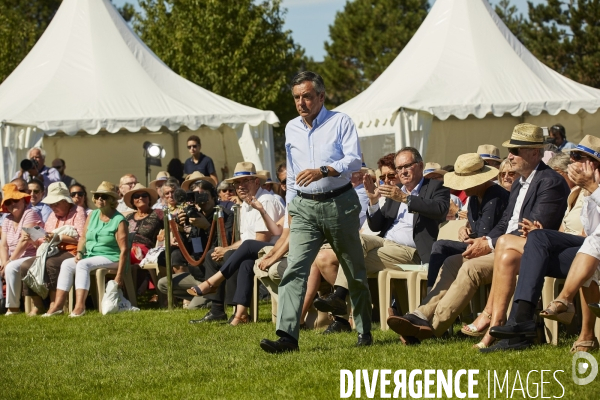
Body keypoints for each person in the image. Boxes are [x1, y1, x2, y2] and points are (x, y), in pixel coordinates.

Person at [387, 123, 570, 344]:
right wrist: (486, 240)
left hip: (524, 253)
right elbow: (505, 223)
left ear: (534, 152)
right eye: (510, 151)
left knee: (470, 267)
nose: (509, 157)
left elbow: (534, 231)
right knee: (453, 261)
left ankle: (432, 327)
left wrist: (489, 243)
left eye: (515, 151)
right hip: (503, 248)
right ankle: (421, 315)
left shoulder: (551, 182)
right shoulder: (520, 184)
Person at [260, 71, 372, 353]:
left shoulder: (341, 122)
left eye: (307, 96)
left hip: (339, 203)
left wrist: (324, 170)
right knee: (294, 270)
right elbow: (292, 172)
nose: (302, 102)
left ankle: (364, 331)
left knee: (353, 270)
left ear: (321, 96)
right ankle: (287, 337)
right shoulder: (291, 128)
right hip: (304, 207)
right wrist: (291, 208)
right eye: (297, 97)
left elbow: (354, 159)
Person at [486, 135, 600, 352]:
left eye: (578, 157)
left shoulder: (588, 189)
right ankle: (518, 325)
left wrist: (593, 188)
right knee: (535, 240)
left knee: (518, 244)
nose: (572, 162)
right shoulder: (578, 192)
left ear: (594, 163)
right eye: (572, 156)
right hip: (584, 251)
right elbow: (579, 232)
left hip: (593, 252)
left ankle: (522, 321)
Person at [189, 162, 284, 323]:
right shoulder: (246, 203)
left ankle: (213, 283)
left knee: (232, 255)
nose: (240, 186)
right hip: (255, 250)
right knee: (214, 255)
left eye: (245, 181)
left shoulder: (265, 200)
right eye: (236, 183)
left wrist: (228, 251)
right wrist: (226, 248)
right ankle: (223, 311)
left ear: (256, 182)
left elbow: (262, 238)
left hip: (274, 249)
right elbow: (247, 238)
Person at [425, 154, 509, 289]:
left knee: (440, 247)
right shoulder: (475, 196)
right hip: (478, 244)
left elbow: (484, 235)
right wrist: (464, 228)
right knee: (441, 250)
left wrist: (471, 234)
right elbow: (474, 224)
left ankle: (431, 294)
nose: (463, 188)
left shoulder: (494, 196)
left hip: (491, 249)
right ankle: (434, 295)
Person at [45, 182, 128, 317]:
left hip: (112, 257)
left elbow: (124, 250)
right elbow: (83, 238)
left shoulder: (119, 220)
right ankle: (58, 306)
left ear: (112, 200)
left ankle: (80, 306)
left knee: (83, 264)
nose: (100, 199)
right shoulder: (93, 215)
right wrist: (79, 253)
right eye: (97, 196)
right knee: (66, 264)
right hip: (91, 255)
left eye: (104, 196)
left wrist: (119, 275)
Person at [157, 178, 233, 310]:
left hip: (215, 278)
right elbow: (188, 251)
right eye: (196, 196)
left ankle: (216, 296)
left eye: (203, 195)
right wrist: (180, 230)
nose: (201, 200)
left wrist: (207, 227)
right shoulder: (194, 215)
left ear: (214, 196)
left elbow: (224, 246)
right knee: (163, 284)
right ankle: (201, 295)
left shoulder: (224, 215)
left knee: (192, 308)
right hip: (198, 276)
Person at [20, 182, 87, 315]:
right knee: (26, 265)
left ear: (65, 201)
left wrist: (59, 237)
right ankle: (38, 305)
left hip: (71, 251)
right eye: (51, 204)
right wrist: (34, 237)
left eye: (55, 203)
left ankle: (55, 304)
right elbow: (47, 237)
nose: (52, 207)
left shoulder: (78, 211)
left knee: (51, 263)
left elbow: (81, 238)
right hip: (52, 250)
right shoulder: (52, 215)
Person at [1, 184, 44, 315]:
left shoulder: (30, 213)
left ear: (23, 200)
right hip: (13, 257)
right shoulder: (7, 219)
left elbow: (25, 240)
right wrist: (4, 262)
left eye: (15, 200)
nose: (12, 204)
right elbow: (3, 245)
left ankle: (12, 308)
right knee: (8, 266)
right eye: (8, 202)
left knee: (11, 267)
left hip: (33, 254)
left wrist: (9, 261)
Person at [123, 184, 164, 297]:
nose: (140, 198)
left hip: (146, 249)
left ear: (149, 199)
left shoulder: (158, 213)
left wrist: (164, 232)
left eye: (144, 195)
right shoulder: (128, 217)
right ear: (132, 201)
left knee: (127, 254)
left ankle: (129, 291)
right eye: (136, 196)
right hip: (128, 246)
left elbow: (171, 225)